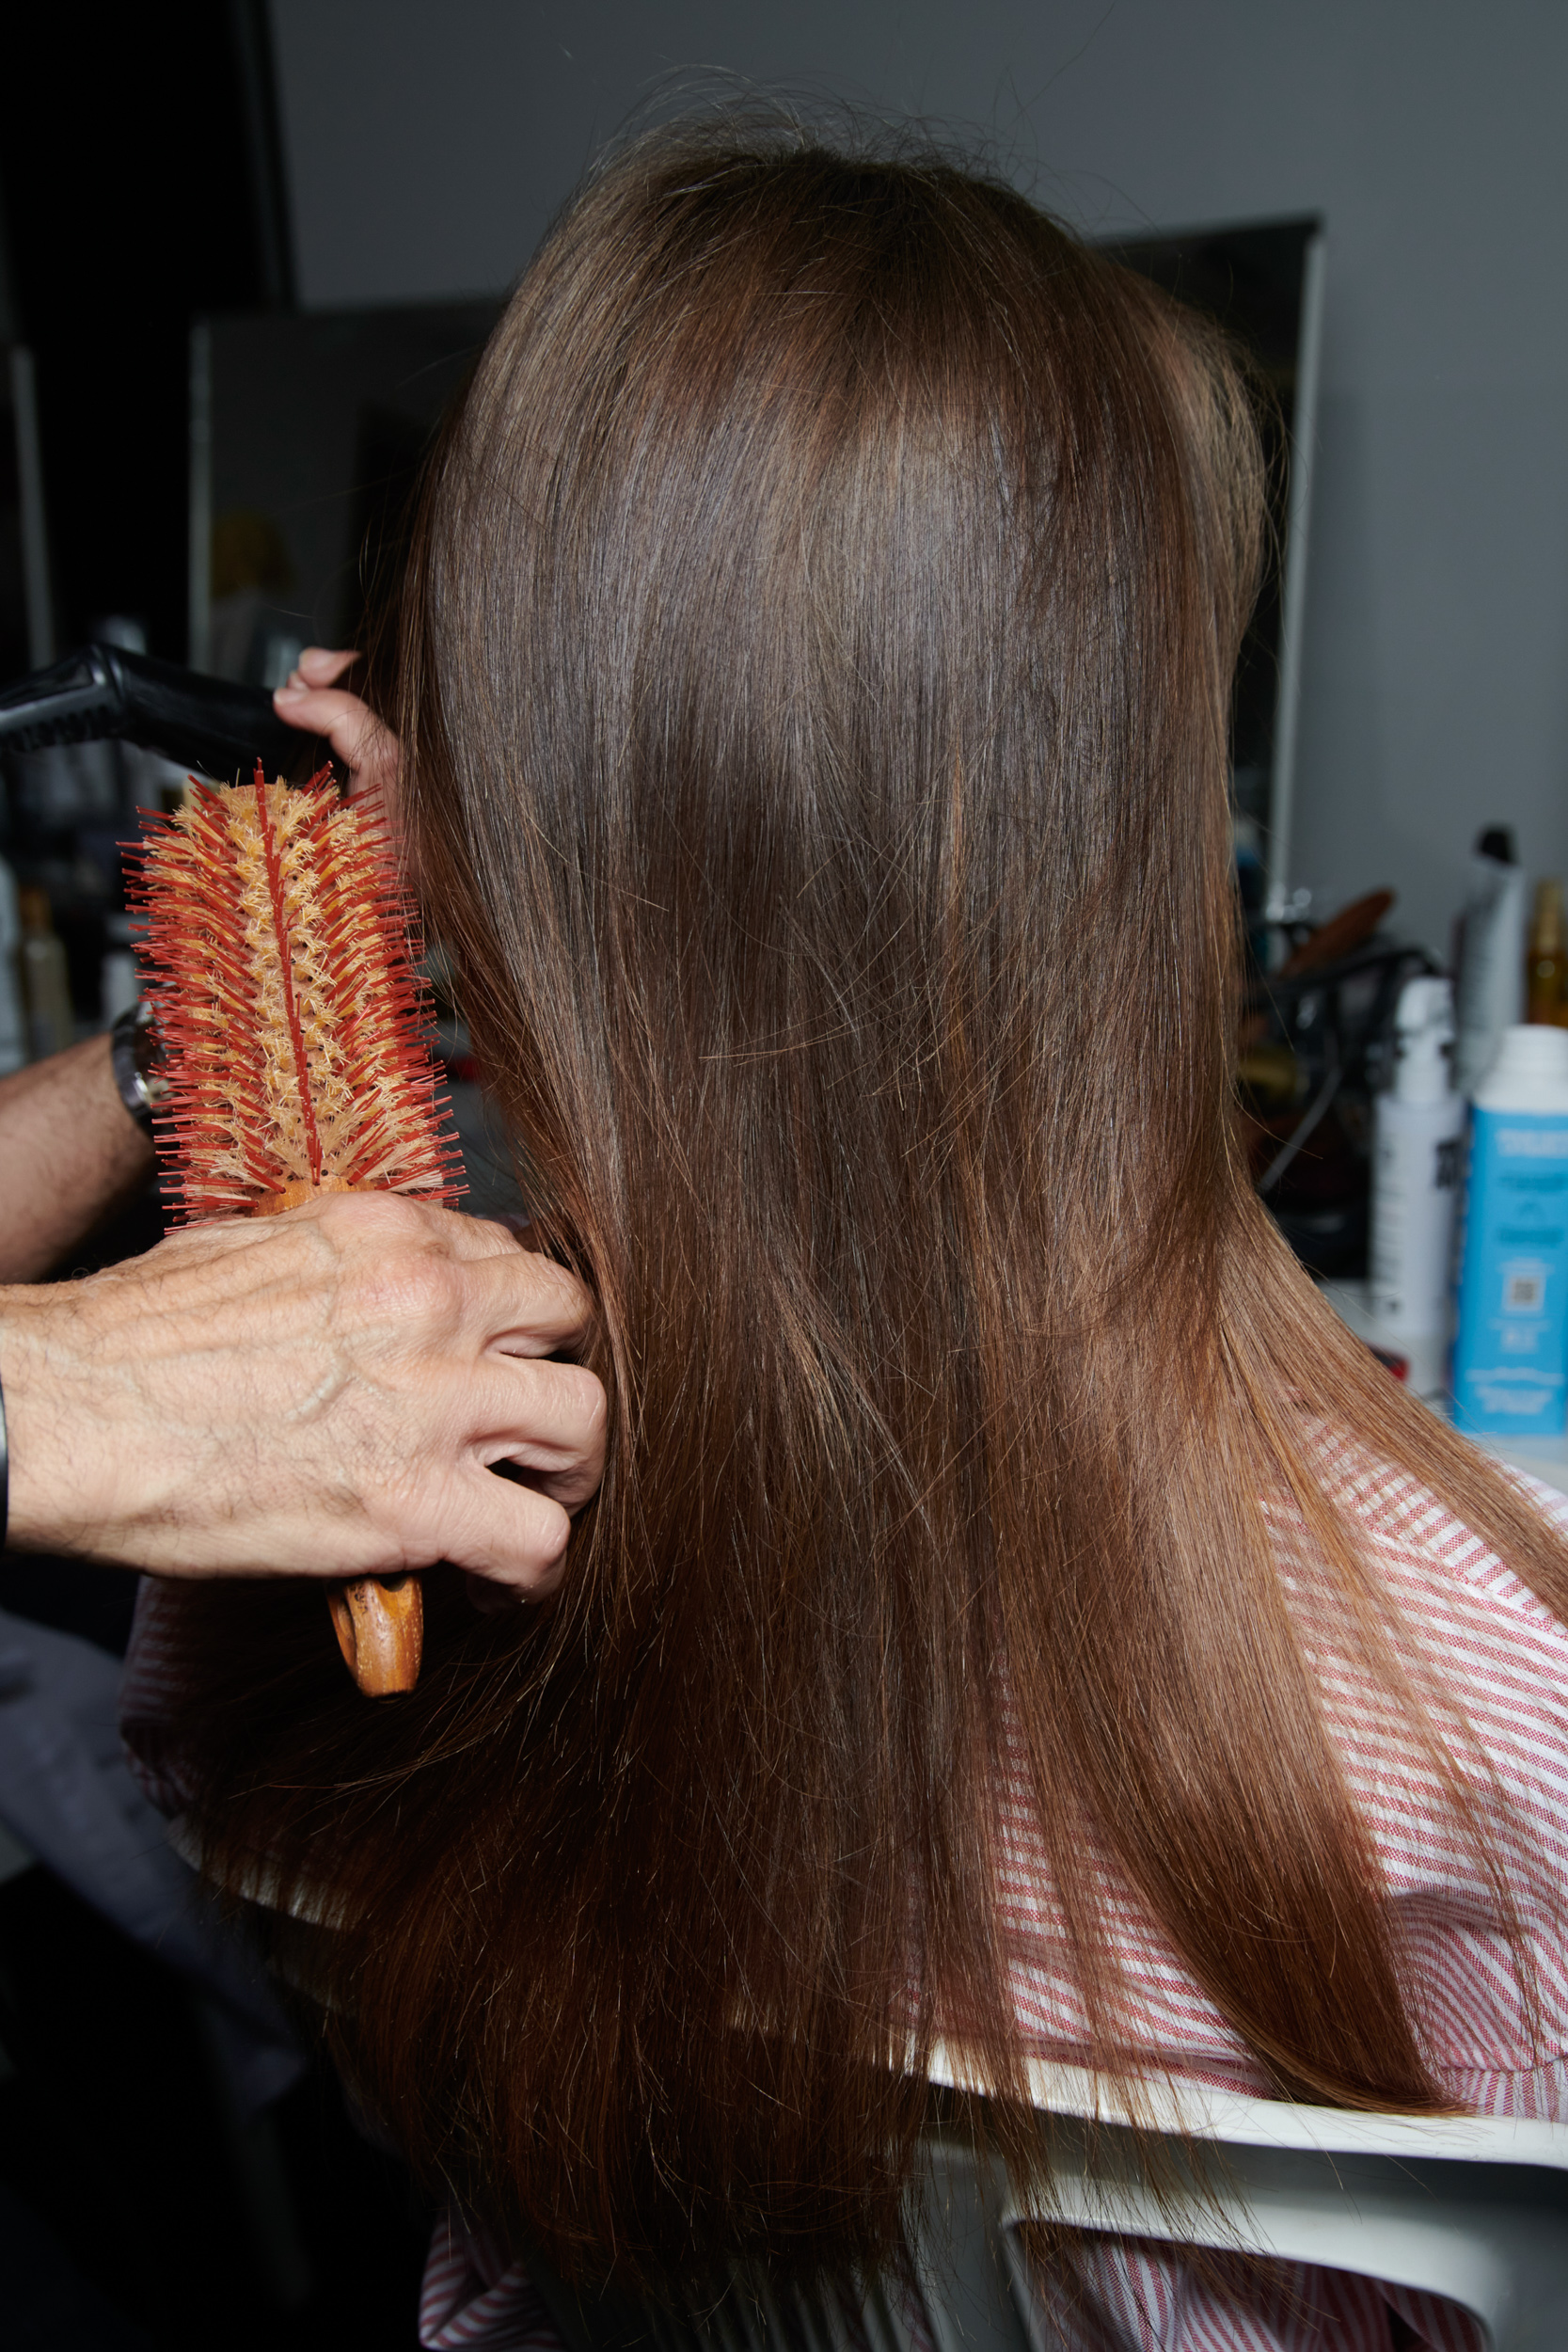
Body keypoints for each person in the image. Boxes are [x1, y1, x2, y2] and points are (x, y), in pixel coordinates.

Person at [126, 118, 1568, 2351]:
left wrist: (307, 967)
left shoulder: (362, 1568)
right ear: (1128, 828)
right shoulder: (1474, 1688)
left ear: (474, 814)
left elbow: (196, 1780)